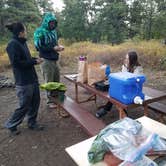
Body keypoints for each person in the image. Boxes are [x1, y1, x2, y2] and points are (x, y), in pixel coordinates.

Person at [5, 22, 44, 135]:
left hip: (32, 78)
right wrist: (34, 61)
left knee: (35, 101)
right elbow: (17, 63)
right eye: (25, 30)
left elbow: (26, 58)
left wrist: (35, 59)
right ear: (20, 32)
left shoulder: (22, 43)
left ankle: (32, 122)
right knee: (24, 105)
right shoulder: (12, 45)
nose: (26, 32)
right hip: (23, 81)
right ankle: (11, 124)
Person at [95, 51, 143, 118]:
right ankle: (109, 110)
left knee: (116, 96)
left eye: (127, 59)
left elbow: (135, 82)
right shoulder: (125, 66)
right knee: (114, 94)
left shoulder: (138, 69)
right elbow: (122, 77)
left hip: (133, 90)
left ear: (132, 60)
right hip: (124, 87)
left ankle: (109, 110)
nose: (125, 60)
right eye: (125, 58)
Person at [34, 12, 64, 109]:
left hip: (54, 59)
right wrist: (53, 48)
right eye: (51, 23)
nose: (53, 25)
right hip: (46, 60)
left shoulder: (53, 32)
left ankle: (55, 98)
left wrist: (58, 47)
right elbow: (38, 47)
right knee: (49, 81)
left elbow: (54, 44)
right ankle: (49, 101)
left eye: (54, 23)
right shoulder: (39, 31)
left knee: (56, 80)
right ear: (46, 22)